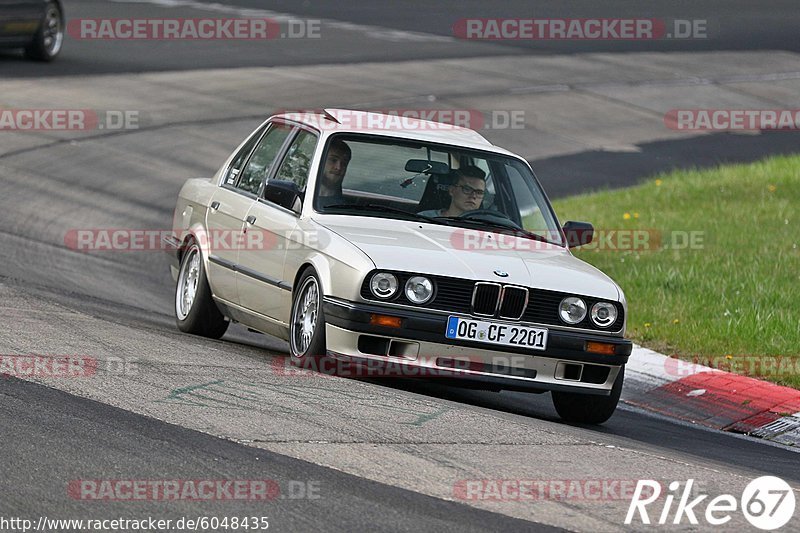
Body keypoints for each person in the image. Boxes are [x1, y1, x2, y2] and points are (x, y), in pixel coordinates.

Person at [418, 166, 487, 217]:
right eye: (467, 189)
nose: (473, 196)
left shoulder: (487, 227)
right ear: (451, 190)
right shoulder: (424, 218)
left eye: (479, 192)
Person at [315, 139, 351, 208]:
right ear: (319, 161)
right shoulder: (298, 194)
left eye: (344, 163)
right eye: (333, 160)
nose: (338, 167)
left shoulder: (343, 207)